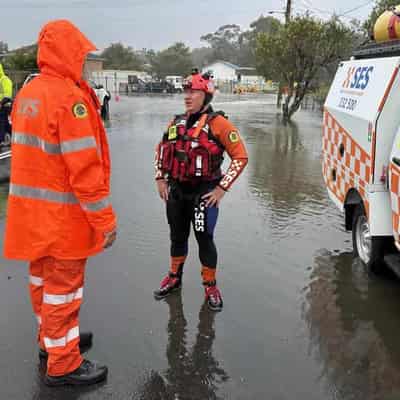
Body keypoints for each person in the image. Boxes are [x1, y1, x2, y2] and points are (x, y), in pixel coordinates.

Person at [3, 20, 117, 386]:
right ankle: (64, 363)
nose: (83, 61)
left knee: (42, 281)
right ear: (68, 53)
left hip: (31, 215)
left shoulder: (30, 92)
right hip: (62, 218)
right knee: (63, 289)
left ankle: (52, 341)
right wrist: (105, 221)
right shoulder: (69, 99)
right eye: (81, 54)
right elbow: (85, 169)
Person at [154, 71, 248, 311]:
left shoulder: (219, 124)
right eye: (186, 91)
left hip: (204, 193)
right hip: (177, 191)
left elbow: (241, 156)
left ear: (205, 95)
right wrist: (160, 178)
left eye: (193, 92)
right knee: (177, 236)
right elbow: (161, 148)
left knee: (204, 239)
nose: (187, 96)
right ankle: (174, 278)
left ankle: (210, 286)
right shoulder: (176, 122)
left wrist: (221, 188)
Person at [0, 63, 13, 145]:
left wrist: (1, 103)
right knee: (5, 123)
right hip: (2, 105)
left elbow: (7, 95)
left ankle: (1, 140)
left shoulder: (5, 80)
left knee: (1, 122)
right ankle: (14, 135)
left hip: (4, 105)